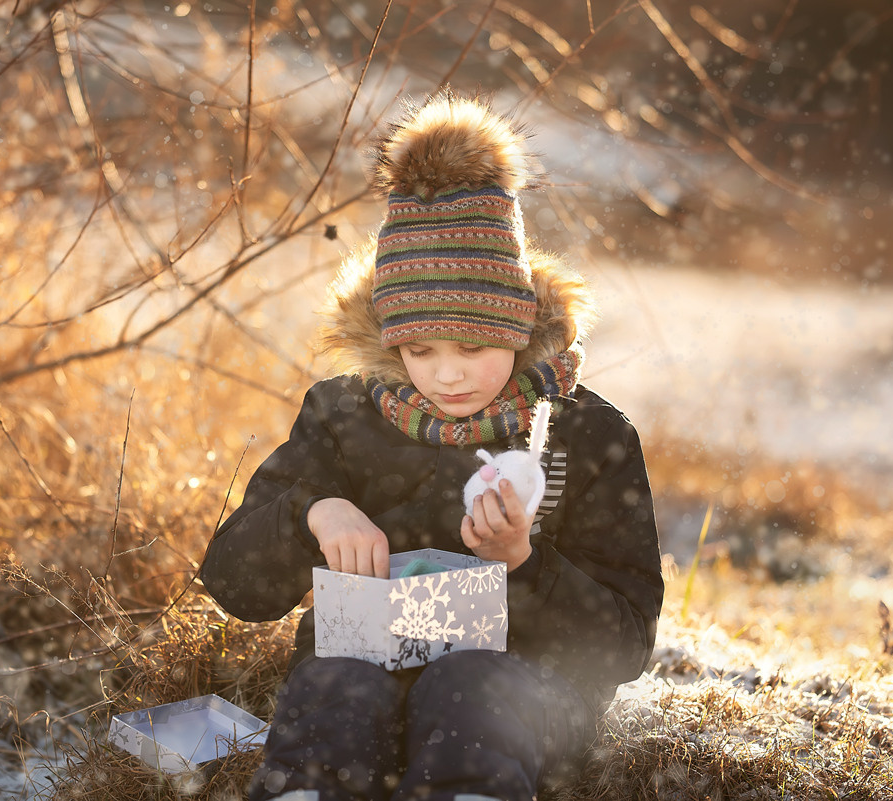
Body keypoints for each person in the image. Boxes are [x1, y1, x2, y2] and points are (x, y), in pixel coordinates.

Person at [200, 90, 664, 801]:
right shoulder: (345, 412)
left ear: (517, 326)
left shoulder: (586, 432)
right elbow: (234, 584)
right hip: (359, 666)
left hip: (519, 686)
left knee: (470, 687)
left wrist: (523, 562)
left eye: (473, 346)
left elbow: (624, 644)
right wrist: (312, 513)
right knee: (338, 687)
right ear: (391, 340)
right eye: (419, 349)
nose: (447, 374)